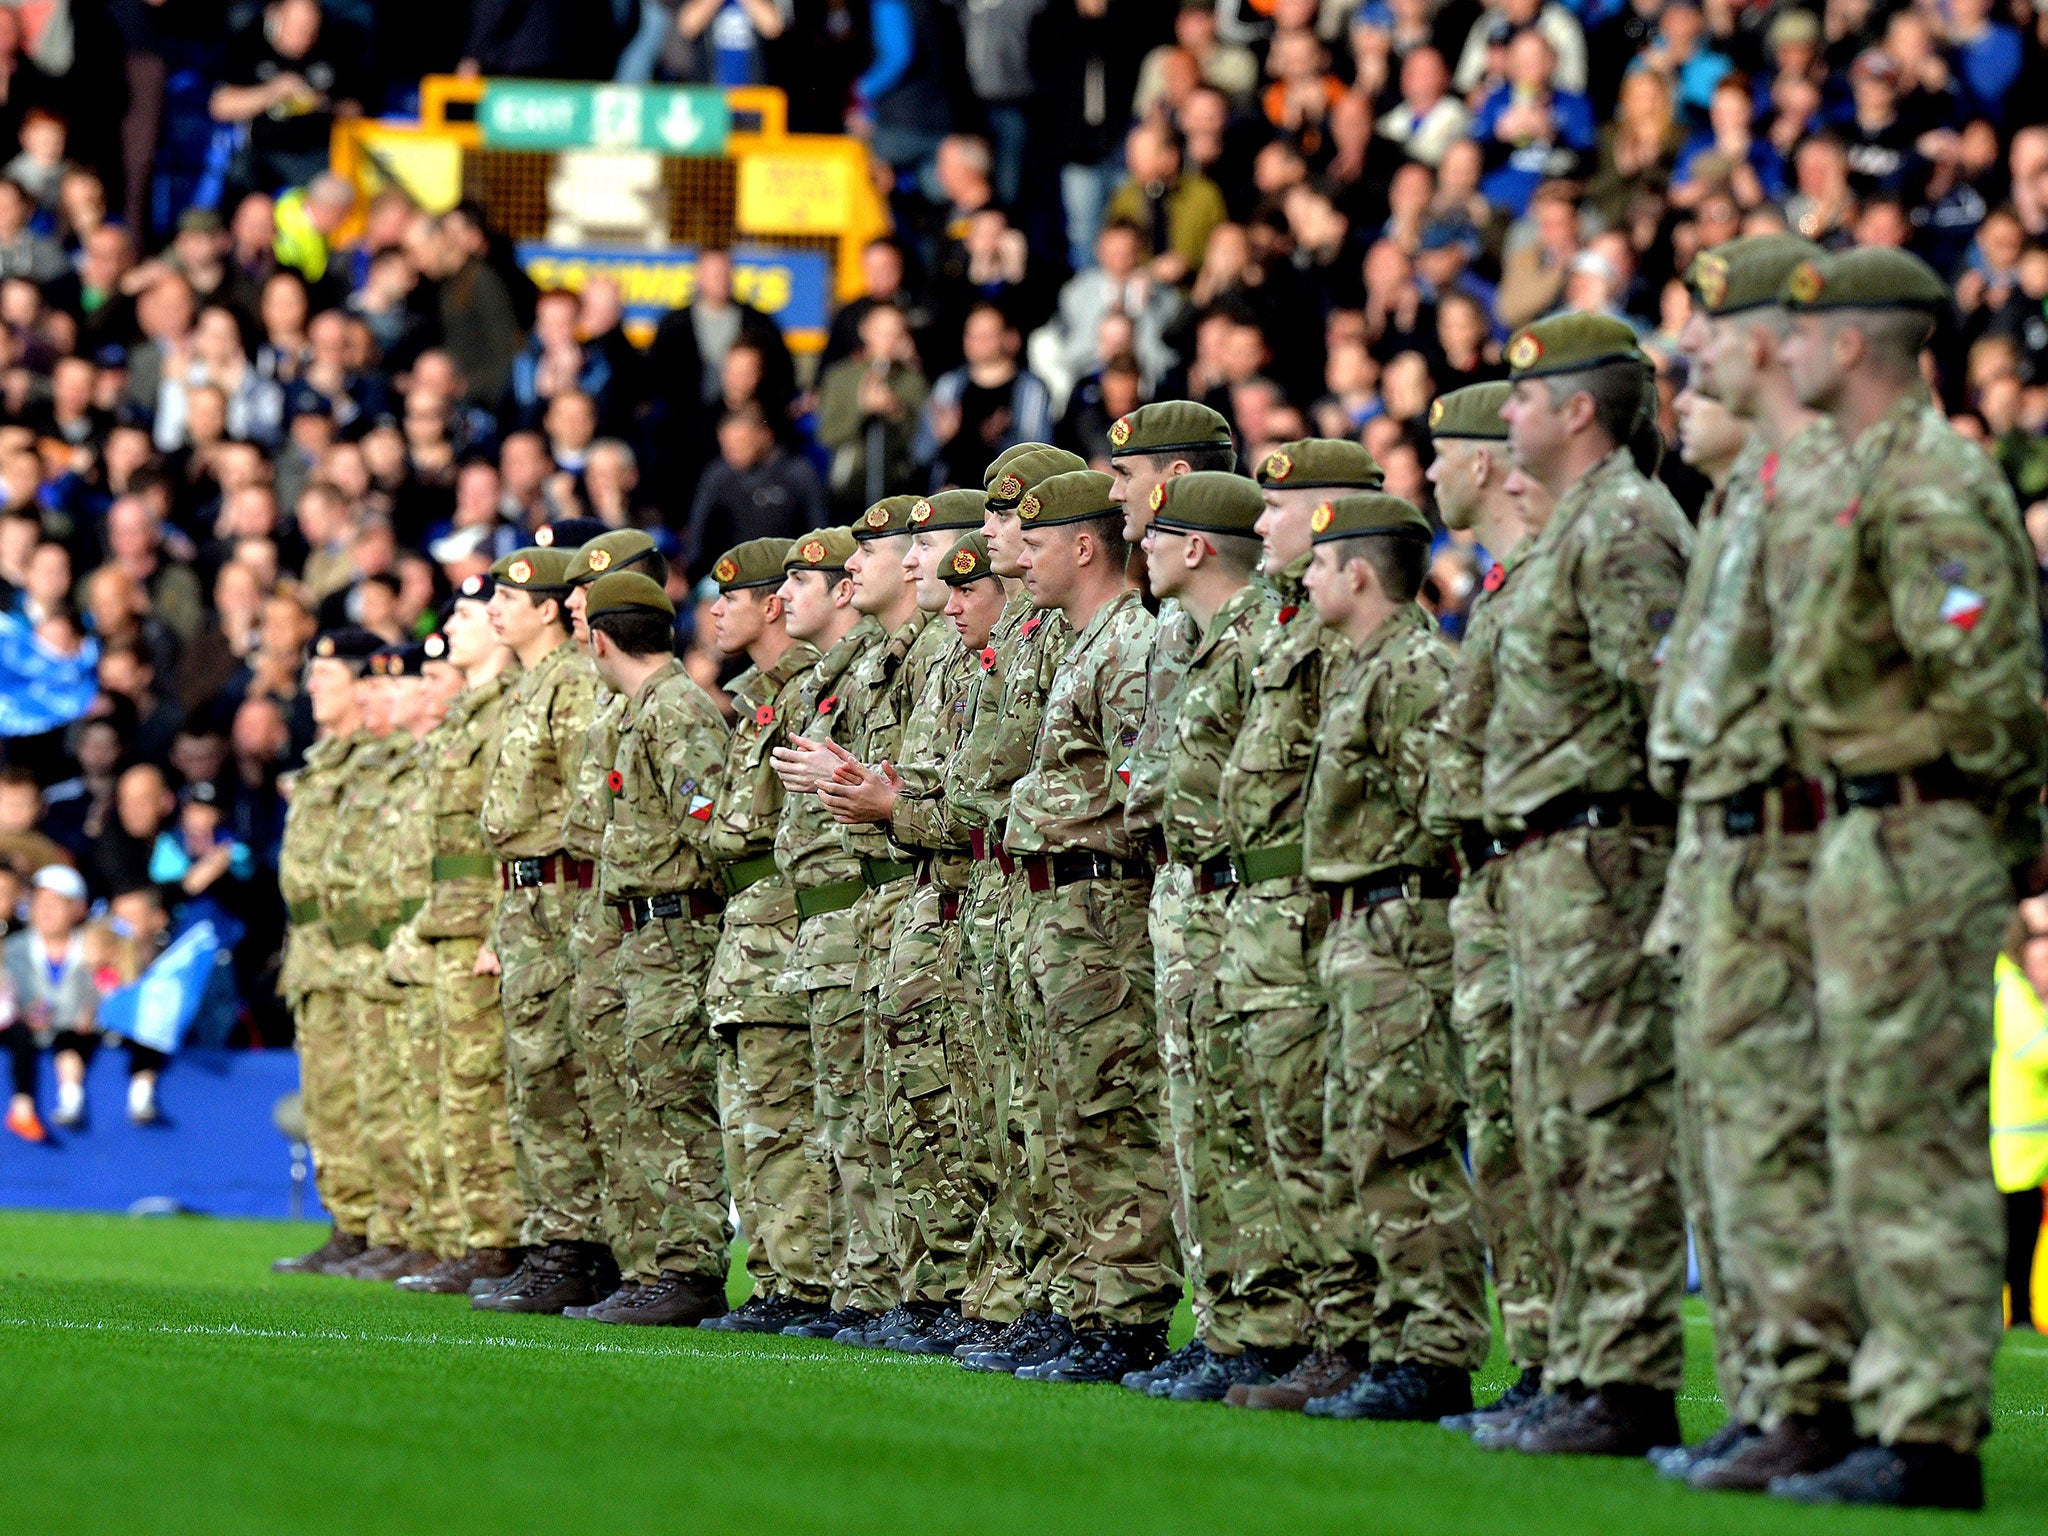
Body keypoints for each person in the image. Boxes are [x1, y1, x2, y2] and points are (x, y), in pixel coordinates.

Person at [1771, 247, 2048, 1510]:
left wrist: (1975, 835)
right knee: (1869, 1125)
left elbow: (1988, 690)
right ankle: (1895, 1412)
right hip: (1870, 829)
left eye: (1803, 330)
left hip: (1923, 834)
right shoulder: (1871, 473)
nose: (1783, 349)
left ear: (1852, 347)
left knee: (1916, 1134)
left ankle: (1928, 1435)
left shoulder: (1932, 479)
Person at [1650, 236, 1860, 1492]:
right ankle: (1775, 1397)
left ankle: (1833, 1407)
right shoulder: (1737, 502)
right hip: (1730, 854)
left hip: (1807, 850)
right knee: (1739, 1145)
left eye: (1710, 351)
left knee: (1799, 1142)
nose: (1691, 370)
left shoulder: (1835, 480)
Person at [1481, 313, 1693, 1456]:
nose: (1503, 411)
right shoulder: (1576, 525)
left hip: (1602, 859)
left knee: (1608, 1123)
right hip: (1551, 863)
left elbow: (1671, 706)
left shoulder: (1620, 524)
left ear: (1576, 410)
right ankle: (1579, 1365)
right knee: (1558, 1125)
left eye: (1522, 395)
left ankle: (1625, 1381)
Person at [1215, 438, 1386, 1415]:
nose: (1264, 527)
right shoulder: (1285, 626)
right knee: (1280, 1132)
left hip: (1318, 907)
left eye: (1279, 510)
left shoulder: (1343, 638)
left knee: (1334, 1131)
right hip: (1264, 908)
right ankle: (1314, 1337)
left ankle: (1354, 1339)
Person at [1123, 470, 1293, 1402]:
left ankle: (1267, 1331)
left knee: (1247, 1120)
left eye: (1156, 532)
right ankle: (1231, 1326)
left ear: (1195, 547)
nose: (1138, 543)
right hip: (1197, 894)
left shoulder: (1260, 634)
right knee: (1206, 1122)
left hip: (1245, 901)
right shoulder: (1201, 638)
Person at [994, 467, 1165, 1382]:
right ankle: (1081, 1297)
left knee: (1110, 1112)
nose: (1020, 559)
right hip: (1055, 903)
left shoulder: (1129, 641)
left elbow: (1148, 787)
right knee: (1059, 1114)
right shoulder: (1080, 642)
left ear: (1086, 546)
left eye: (1037, 541)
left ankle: (1125, 1313)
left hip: (1101, 903)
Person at [775, 495, 941, 1347]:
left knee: (919, 1111)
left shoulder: (920, 656)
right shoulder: (866, 667)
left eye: (854, 558)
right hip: (858, 913)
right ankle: (878, 1283)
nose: (851, 571)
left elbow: (928, 788)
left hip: (899, 897)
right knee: (863, 1113)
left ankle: (920, 1289)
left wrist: (869, 794)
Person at [586, 567, 736, 1327]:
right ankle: (653, 1266)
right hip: (647, 929)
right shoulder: (645, 708)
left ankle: (687, 1269)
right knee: (648, 1101)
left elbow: (711, 824)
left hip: (678, 927)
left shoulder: (674, 710)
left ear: (598, 638)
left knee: (676, 1102)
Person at [695, 537, 830, 1334]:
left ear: (773, 605)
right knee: (754, 1120)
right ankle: (779, 1277)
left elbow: (763, 830)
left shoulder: (806, 690)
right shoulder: (759, 703)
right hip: (750, 931)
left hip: (780, 927)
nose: (715, 610)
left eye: (733, 596)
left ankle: (802, 1282)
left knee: (785, 1119)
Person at [472, 546, 612, 1314]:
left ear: (551, 609)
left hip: (561, 896)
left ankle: (578, 1248)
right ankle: (556, 1241)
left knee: (561, 1077)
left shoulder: (573, 681)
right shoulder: (531, 684)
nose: (497, 607)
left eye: (510, 595)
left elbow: (582, 803)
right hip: (524, 899)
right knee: (534, 1080)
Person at [763, 526, 884, 1341]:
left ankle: (881, 1288)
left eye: (800, 582)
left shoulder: (875, 668)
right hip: (824, 920)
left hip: (866, 908)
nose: (782, 600)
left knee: (877, 1114)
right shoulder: (819, 682)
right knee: (841, 1115)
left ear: (844, 589)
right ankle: (854, 1284)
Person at [390, 578, 525, 1297]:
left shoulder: (507, 708)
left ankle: (494, 1238)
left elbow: (516, 824)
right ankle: (473, 1235)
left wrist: (501, 922)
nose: (459, 624)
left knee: (480, 1087)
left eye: (470, 613)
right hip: (450, 916)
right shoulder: (468, 713)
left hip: (483, 915)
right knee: (455, 1088)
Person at [271, 625, 382, 1275]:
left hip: (355, 943)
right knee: (332, 1097)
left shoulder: (375, 756)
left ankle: (383, 1224)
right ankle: (350, 1220)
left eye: (327, 676)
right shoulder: (326, 758)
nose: (311, 686)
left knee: (374, 1091)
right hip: (315, 947)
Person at [2, 864, 99, 1139]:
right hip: (24, 1033)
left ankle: (71, 1100)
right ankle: (22, 1108)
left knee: (72, 1040)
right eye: (40, 902)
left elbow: (107, 990)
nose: (46, 911)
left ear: (78, 909)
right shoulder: (12, 948)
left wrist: (91, 1013)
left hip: (76, 1035)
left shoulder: (95, 948)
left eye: (56, 904)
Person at [1995, 898, 2048, 1330]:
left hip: (2024, 1152)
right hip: (2008, 1149)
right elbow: (2033, 1049)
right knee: (2012, 1238)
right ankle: (2020, 1318)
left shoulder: (2016, 985)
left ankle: (2023, 1317)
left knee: (2021, 1237)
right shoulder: (2007, 984)